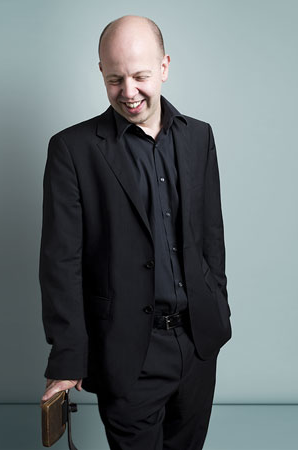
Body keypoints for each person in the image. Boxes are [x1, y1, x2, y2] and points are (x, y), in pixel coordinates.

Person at [38, 15, 232, 450]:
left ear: (164, 67)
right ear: (101, 73)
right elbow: (61, 262)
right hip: (127, 352)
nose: (129, 92)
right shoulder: (72, 150)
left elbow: (211, 236)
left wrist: (217, 307)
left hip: (198, 344)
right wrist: (68, 356)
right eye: (115, 79)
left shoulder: (199, 137)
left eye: (141, 76)